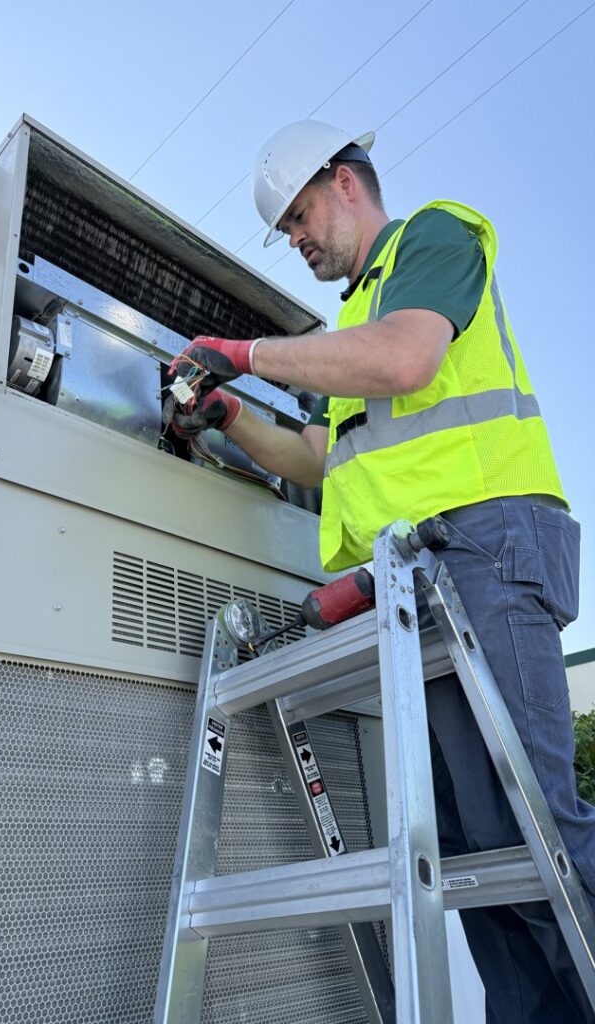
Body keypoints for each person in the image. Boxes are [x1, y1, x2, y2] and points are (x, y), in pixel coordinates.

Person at [165, 120, 595, 1023]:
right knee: (473, 851)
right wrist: (228, 415)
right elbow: (319, 459)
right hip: (419, 585)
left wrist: (238, 351)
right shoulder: (348, 328)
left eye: (300, 215)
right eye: (286, 230)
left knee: (534, 829)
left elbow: (410, 357)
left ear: (346, 182)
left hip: (485, 545)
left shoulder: (432, 239)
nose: (297, 239)